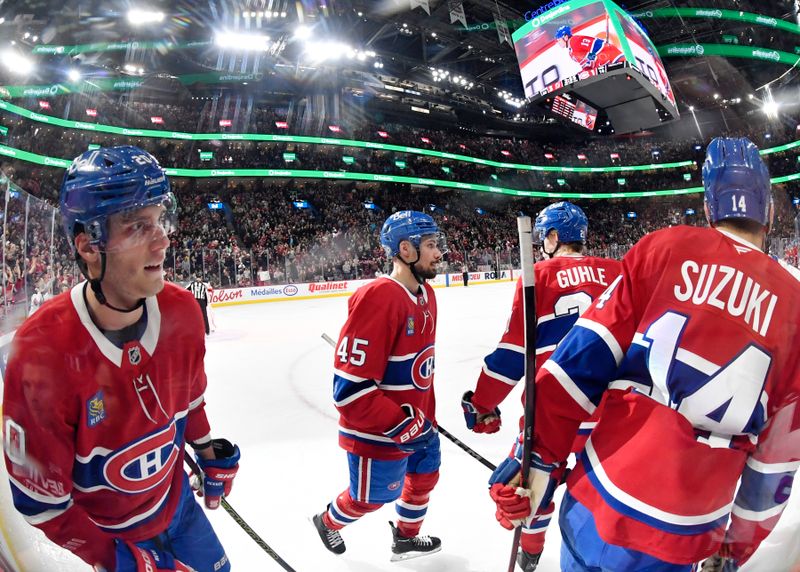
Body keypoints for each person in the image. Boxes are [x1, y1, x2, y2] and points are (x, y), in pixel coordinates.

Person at [488, 137, 800, 571]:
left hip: (594, 501)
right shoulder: (795, 306)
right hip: (682, 534)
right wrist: (733, 548)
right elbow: (776, 461)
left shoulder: (662, 248)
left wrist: (533, 457)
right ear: (768, 212)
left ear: (708, 207)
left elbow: (577, 365)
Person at [2, 146, 240, 572]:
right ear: (89, 245)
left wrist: (205, 448)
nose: (163, 239)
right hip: (112, 538)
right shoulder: (41, 351)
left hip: (179, 508)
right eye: (137, 226)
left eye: (161, 220)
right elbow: (40, 504)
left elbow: (189, 402)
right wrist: (119, 560)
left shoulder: (183, 312)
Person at [461, 201, 621, 571]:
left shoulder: (539, 275)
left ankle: (531, 551)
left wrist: (481, 403)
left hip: (553, 411)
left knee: (527, 489)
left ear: (552, 236)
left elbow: (514, 352)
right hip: (612, 411)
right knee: (604, 491)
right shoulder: (618, 271)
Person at [312, 210, 446, 561]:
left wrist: (425, 419)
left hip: (417, 424)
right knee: (370, 498)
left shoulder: (427, 295)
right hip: (378, 431)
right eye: (431, 245)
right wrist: (400, 424)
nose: (439, 253)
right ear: (406, 249)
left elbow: (418, 370)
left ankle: (405, 539)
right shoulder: (379, 297)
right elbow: (350, 390)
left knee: (425, 475)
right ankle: (327, 521)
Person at [555, 25, 623, 71]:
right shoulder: (571, 53)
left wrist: (596, 61)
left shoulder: (574, 40)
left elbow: (597, 46)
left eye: (559, 40)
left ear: (566, 37)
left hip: (614, 57)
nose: (558, 43)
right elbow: (589, 61)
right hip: (607, 63)